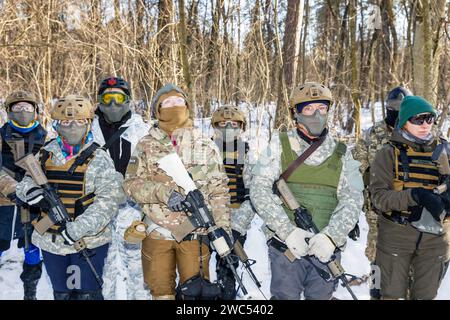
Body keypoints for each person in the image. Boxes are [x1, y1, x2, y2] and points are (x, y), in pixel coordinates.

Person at [249, 82, 363, 300]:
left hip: (326, 249)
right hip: (287, 249)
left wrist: (331, 237)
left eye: (321, 108)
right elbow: (259, 189)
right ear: (296, 113)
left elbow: (353, 199)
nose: (316, 115)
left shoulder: (342, 153)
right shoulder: (280, 145)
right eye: (309, 109)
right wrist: (287, 231)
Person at [123, 84, 231, 300]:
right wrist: (163, 192)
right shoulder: (145, 144)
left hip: (196, 235)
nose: (175, 106)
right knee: (161, 294)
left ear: (188, 106)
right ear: (158, 109)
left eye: (179, 101)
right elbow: (130, 185)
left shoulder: (204, 144)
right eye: (168, 103)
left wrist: (224, 231)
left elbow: (219, 191)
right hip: (157, 233)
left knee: (196, 298)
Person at [16, 95, 125, 300]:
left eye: (80, 121)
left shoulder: (100, 157)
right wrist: (32, 192)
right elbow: (25, 183)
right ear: (57, 125)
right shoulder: (45, 154)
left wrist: (78, 228)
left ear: (89, 124)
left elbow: (108, 201)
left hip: (88, 241)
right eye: (66, 122)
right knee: (62, 293)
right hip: (51, 241)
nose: (73, 127)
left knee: (87, 293)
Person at [369, 95, 450, 300]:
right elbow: (378, 198)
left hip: (435, 239)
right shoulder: (388, 153)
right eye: (418, 120)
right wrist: (414, 196)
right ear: (404, 122)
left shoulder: (445, 152)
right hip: (396, 236)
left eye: (429, 119)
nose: (425, 125)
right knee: (390, 295)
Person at [91, 76, 151, 300]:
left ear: (128, 100)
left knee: (138, 268)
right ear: (99, 100)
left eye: (119, 98)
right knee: (103, 269)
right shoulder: (88, 128)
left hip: (132, 209)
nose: (113, 105)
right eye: (108, 98)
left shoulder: (141, 130)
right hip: (99, 209)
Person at [352, 86, 412, 299]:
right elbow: (354, 174)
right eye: (392, 109)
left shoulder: (420, 134)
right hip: (379, 217)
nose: (396, 113)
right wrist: (352, 213)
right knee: (378, 265)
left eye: (401, 109)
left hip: (412, 218)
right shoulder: (371, 136)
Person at [0, 91, 47, 300]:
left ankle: (31, 293)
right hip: (3, 203)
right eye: (17, 109)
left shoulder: (46, 137)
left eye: (27, 108)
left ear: (35, 111)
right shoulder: (1, 136)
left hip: (34, 204)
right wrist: (12, 188)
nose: (23, 112)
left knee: (32, 250)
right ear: (9, 112)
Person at [211, 105, 254, 299]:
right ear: (215, 126)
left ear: (241, 127)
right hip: (206, 218)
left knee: (229, 266)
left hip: (234, 217)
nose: (228, 127)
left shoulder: (246, 154)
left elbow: (254, 193)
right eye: (223, 123)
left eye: (234, 124)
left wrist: (237, 226)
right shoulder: (205, 150)